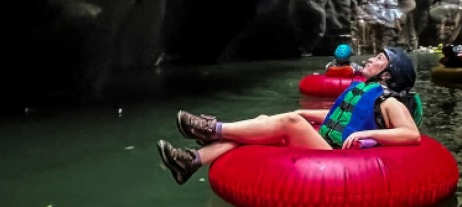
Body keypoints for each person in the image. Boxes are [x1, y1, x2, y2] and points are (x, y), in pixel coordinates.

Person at [157, 47, 423, 185]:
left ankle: (211, 128)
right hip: (324, 142)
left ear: (387, 75)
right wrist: (300, 111)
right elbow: (333, 116)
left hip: (339, 157)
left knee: (289, 124)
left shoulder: (388, 102)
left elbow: (411, 134)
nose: (369, 60)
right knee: (261, 123)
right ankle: (191, 161)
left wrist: (366, 133)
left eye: (378, 59)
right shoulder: (362, 89)